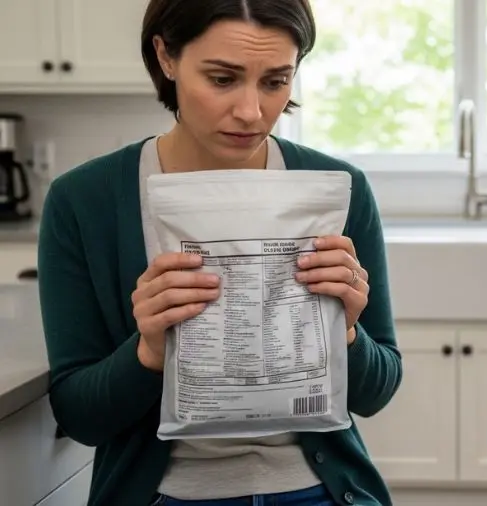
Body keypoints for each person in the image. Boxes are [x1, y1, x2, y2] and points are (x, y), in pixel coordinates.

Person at [36, 0, 402, 504]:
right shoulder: (85, 201)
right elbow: (79, 415)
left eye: (275, 82)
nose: (252, 112)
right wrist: (149, 353)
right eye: (223, 79)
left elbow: (377, 392)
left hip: (321, 490)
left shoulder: (339, 191)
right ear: (165, 57)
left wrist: (346, 333)